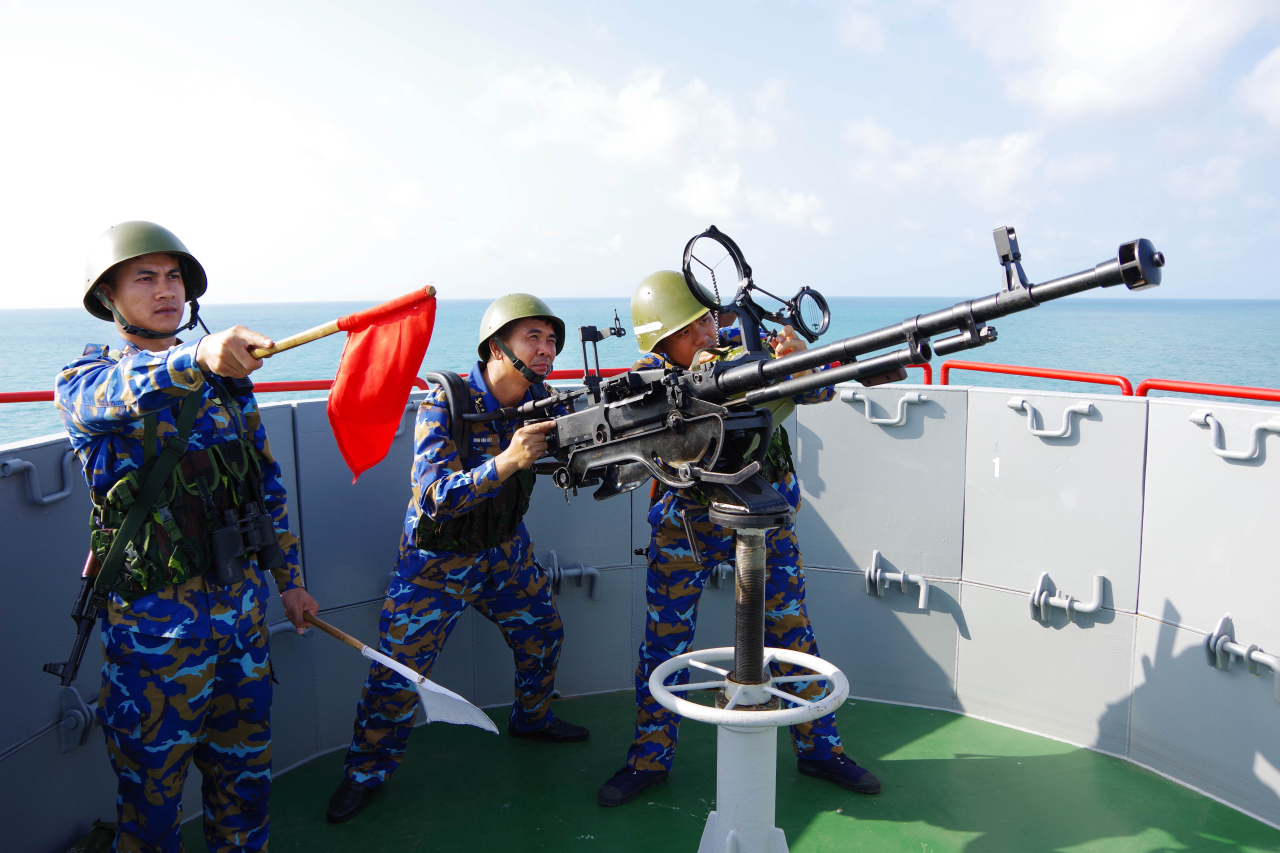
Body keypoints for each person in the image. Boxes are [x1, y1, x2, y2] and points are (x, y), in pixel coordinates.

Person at [55, 220, 320, 852]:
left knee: (246, 789)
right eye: (144, 278)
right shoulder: (86, 381)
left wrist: (290, 583)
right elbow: (116, 394)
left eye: (173, 277)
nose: (165, 290)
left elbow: (263, 487)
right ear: (109, 297)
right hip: (155, 642)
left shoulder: (228, 384)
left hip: (241, 624)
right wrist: (196, 356)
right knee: (150, 805)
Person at [597, 271, 882, 807]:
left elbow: (818, 389)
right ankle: (648, 759)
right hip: (687, 524)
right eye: (689, 330)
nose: (706, 334)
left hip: (763, 512)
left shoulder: (745, 350)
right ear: (660, 342)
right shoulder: (646, 380)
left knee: (792, 633)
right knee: (664, 642)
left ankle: (820, 750)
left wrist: (801, 360)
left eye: (707, 320)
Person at [327, 294, 590, 823]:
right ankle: (365, 773)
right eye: (532, 338)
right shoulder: (445, 402)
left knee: (543, 636)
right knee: (398, 675)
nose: (546, 349)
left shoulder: (543, 401)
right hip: (435, 567)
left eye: (551, 339)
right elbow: (433, 497)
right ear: (496, 348)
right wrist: (508, 461)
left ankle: (532, 718)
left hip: (505, 554)